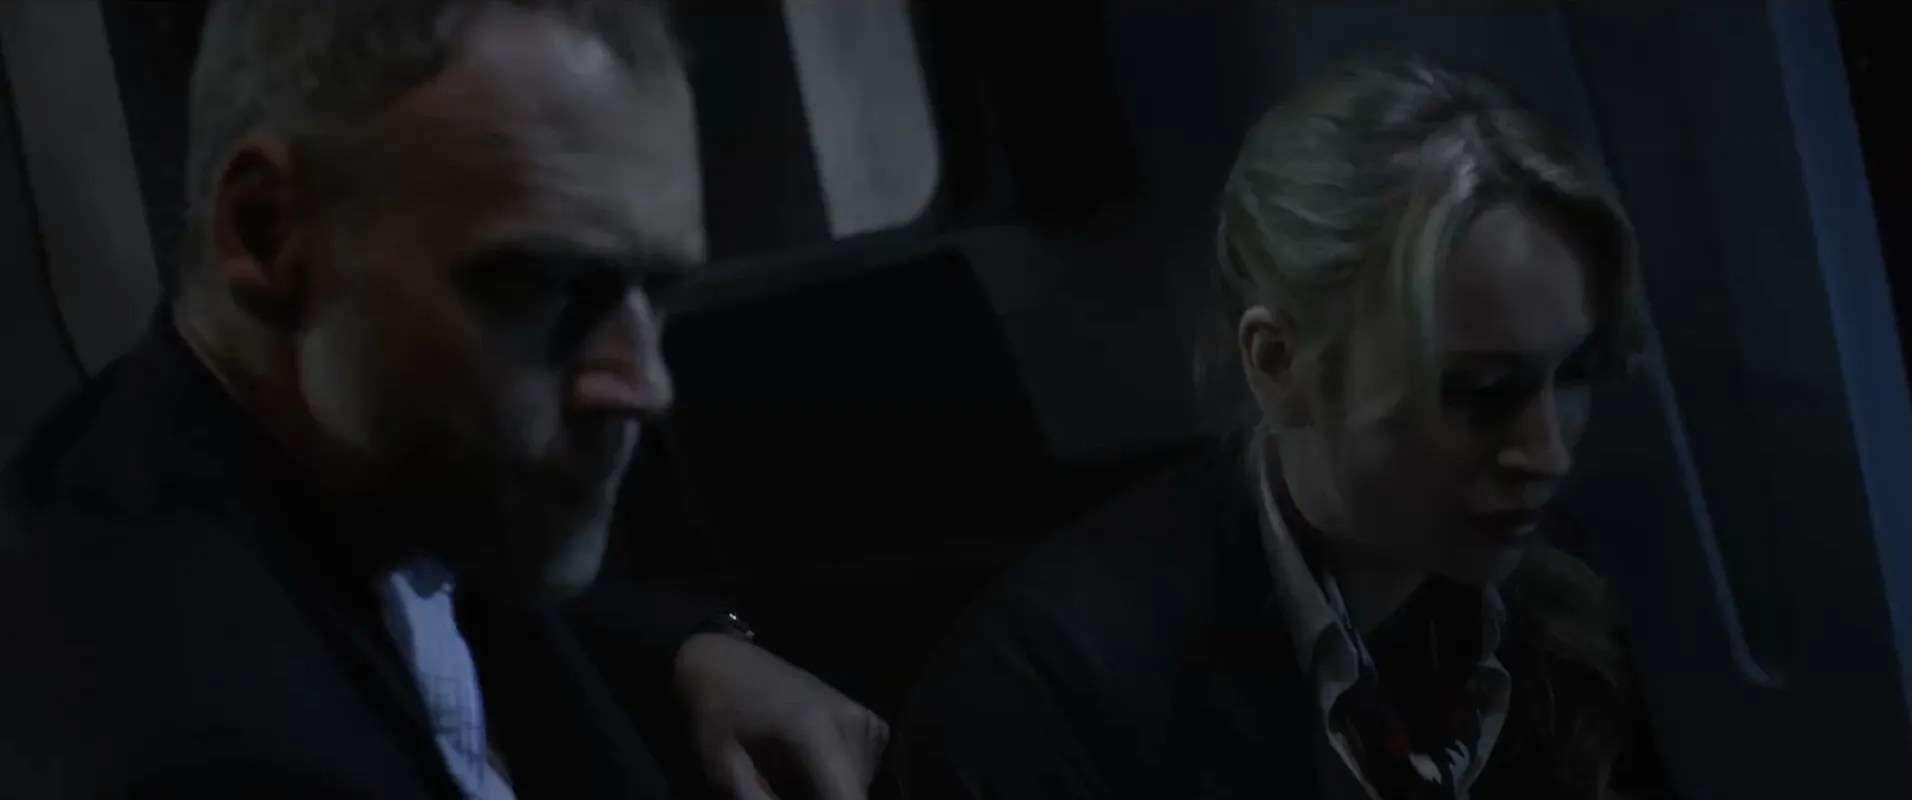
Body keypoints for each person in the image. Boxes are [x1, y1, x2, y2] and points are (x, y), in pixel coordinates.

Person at [0, 1, 885, 798]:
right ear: (267, 232)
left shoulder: (375, 470)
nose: (646, 384)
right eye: (542, 288)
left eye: (657, 291)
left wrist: (689, 648)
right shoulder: (207, 744)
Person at [895, 54, 1672, 800]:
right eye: (1479, 391)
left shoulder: (1550, 593)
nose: (1548, 452)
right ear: (1279, 364)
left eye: (1575, 374)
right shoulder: (1049, 689)